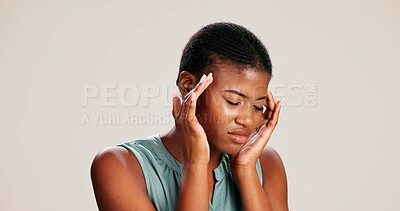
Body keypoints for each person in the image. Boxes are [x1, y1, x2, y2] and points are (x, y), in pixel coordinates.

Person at [91, 22, 288, 211]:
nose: (247, 120)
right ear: (188, 85)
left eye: (257, 106)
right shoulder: (119, 165)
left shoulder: (266, 163)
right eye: (233, 102)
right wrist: (195, 164)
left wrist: (246, 170)